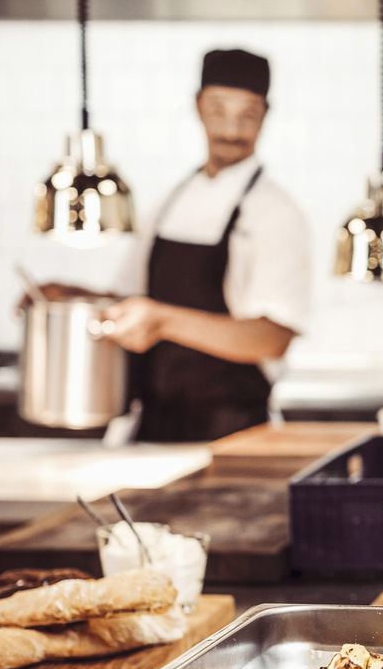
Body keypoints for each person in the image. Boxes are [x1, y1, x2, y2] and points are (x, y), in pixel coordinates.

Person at [34, 48, 311, 442]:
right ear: (198, 107)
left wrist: (162, 320)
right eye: (218, 109)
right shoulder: (172, 198)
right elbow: (134, 298)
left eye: (247, 114)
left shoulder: (275, 212)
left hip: (233, 435)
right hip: (151, 428)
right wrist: (72, 296)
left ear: (265, 114)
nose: (231, 129)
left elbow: (272, 338)